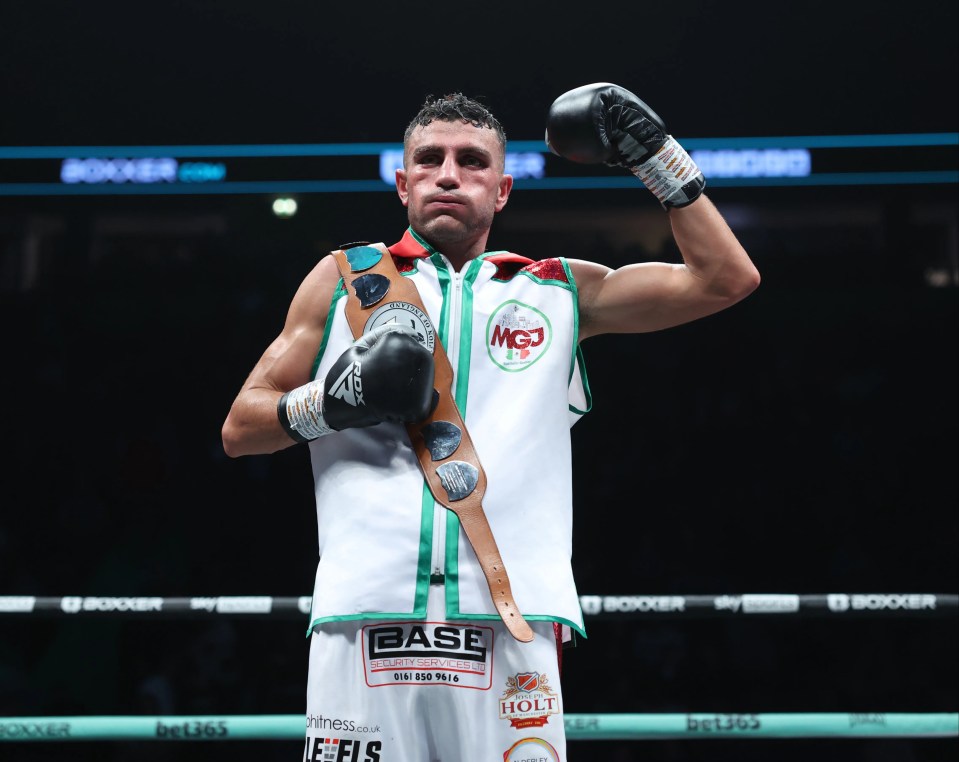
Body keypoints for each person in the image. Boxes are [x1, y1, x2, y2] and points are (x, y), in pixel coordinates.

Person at [221, 84, 759, 762]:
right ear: (402, 182)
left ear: (501, 190)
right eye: (429, 159)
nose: (448, 174)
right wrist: (331, 403)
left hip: (512, 622)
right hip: (366, 609)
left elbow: (724, 281)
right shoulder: (341, 282)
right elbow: (240, 428)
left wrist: (657, 159)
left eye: (471, 161)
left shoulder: (559, 291)